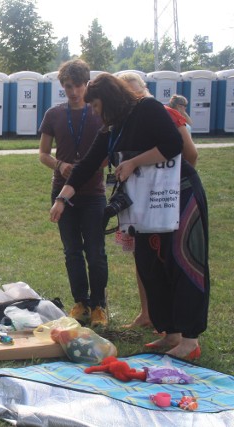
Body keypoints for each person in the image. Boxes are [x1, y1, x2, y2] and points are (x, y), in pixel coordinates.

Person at [50, 73, 209, 360]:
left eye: (96, 106)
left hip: (179, 197)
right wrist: (62, 198)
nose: (96, 112)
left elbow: (173, 145)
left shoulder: (147, 109)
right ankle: (170, 332)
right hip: (146, 204)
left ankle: (190, 339)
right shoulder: (113, 126)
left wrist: (134, 162)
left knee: (182, 264)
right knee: (151, 265)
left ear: (109, 99)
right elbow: (86, 165)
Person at [117, 73, 199, 329]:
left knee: (167, 258)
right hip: (141, 199)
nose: (135, 100)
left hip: (165, 199)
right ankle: (148, 313)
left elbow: (190, 153)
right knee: (144, 258)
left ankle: (173, 322)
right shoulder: (128, 121)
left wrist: (172, 185)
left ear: (146, 90)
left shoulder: (166, 114)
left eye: (136, 93)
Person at [39, 59, 109, 327]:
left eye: (79, 85)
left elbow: (109, 151)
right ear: (62, 86)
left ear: (87, 84)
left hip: (93, 192)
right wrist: (60, 165)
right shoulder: (54, 115)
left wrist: (91, 167)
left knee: (95, 252)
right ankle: (80, 302)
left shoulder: (98, 112)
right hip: (61, 192)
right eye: (68, 86)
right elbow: (43, 154)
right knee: (72, 252)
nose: (74, 91)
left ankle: (99, 305)